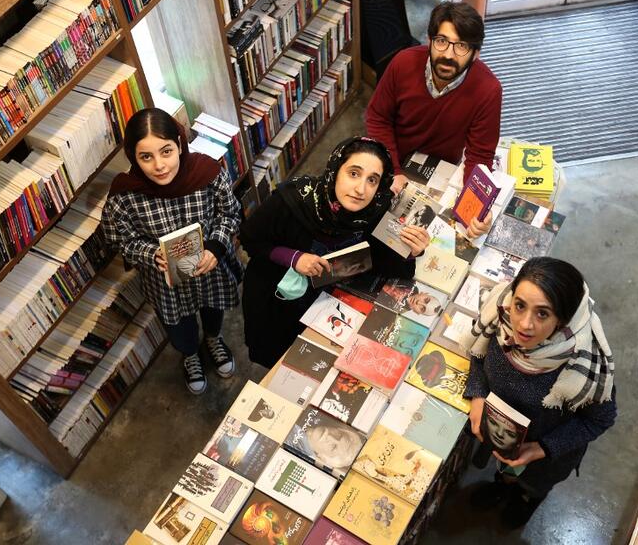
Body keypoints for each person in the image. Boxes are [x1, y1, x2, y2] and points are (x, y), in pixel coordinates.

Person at [239, 137, 430, 368]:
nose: (361, 189)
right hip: (277, 301)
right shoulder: (292, 199)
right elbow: (251, 239)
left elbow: (387, 265)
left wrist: (412, 251)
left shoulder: (374, 212)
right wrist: (294, 258)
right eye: (353, 173)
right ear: (336, 170)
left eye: (372, 180)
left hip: (329, 306)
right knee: (279, 362)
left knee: (313, 363)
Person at [465, 257, 616, 529]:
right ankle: (503, 485)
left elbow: (599, 419)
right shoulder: (500, 319)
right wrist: (478, 396)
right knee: (505, 472)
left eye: (542, 313)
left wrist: (540, 449)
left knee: (532, 485)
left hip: (546, 458)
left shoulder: (581, 365)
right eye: (520, 306)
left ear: (563, 319)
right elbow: (478, 355)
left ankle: (525, 499)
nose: (523, 325)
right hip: (503, 437)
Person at [101, 108, 241, 395]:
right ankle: (190, 354)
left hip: (208, 267)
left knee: (213, 308)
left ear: (179, 144)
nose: (159, 166)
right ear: (133, 157)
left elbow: (230, 214)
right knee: (179, 325)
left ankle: (214, 338)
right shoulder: (124, 195)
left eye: (166, 151)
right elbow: (119, 239)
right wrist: (151, 253)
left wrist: (215, 246)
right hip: (165, 282)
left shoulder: (209, 173)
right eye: (146, 157)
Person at [365, 0, 502, 238]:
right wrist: (393, 170)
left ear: (476, 54)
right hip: (393, 155)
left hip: (442, 165)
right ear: (430, 41)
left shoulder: (488, 90)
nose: (448, 55)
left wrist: (477, 207)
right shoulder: (403, 63)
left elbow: (480, 154)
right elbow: (378, 118)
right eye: (441, 41)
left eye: (461, 46)